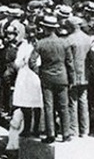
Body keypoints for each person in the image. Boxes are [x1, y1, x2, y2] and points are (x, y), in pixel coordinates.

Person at [29, 15, 73, 144]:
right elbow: (69, 62)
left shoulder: (41, 43)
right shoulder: (64, 43)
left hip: (46, 77)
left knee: (49, 107)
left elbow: (31, 61)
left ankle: (51, 134)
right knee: (64, 106)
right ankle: (66, 133)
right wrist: (71, 79)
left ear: (45, 28)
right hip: (62, 76)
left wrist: (39, 72)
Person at [65, 17, 94, 138]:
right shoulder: (88, 39)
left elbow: (68, 60)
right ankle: (85, 130)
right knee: (84, 101)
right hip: (85, 73)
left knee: (73, 102)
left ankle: (74, 129)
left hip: (73, 73)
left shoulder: (69, 40)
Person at [11, 26, 42, 138]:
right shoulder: (39, 44)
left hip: (26, 74)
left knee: (27, 103)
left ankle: (28, 128)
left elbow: (18, 62)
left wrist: (18, 64)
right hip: (36, 74)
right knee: (37, 102)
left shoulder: (24, 46)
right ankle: (36, 128)